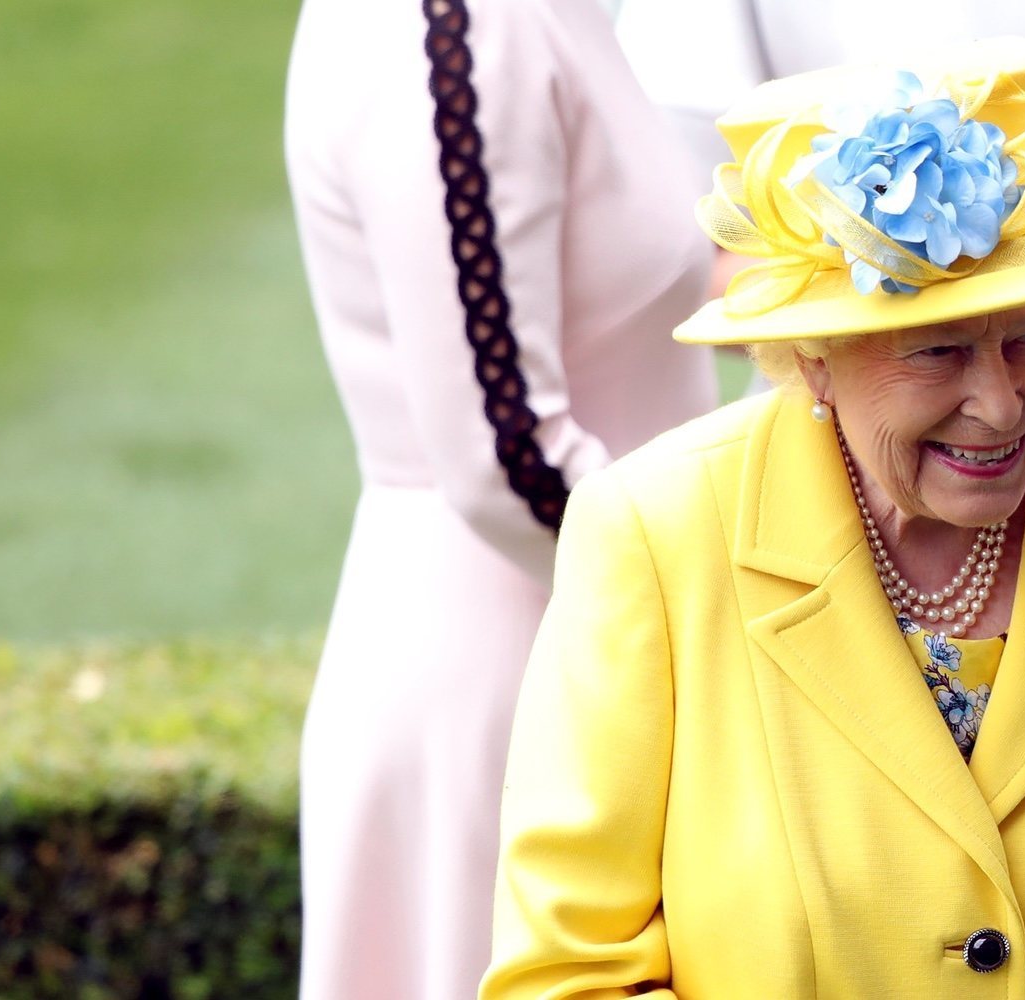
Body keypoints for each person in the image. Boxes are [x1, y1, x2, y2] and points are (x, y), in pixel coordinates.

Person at [481, 39, 1025, 998]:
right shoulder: (654, 537)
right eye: (938, 353)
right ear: (812, 357)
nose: (998, 403)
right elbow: (567, 973)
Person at [283, 0, 716, 993]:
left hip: (592, 631)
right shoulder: (450, 29)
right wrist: (714, 611)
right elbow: (503, 453)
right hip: (522, 669)